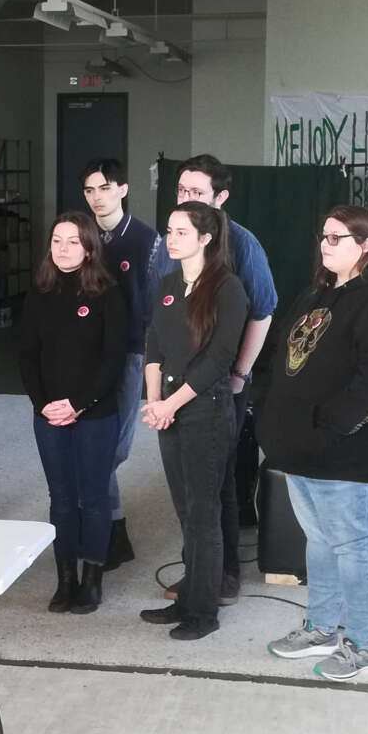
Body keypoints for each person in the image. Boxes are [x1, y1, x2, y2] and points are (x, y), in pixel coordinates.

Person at [261, 206, 368, 680]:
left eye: (337, 237)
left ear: (365, 244)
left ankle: (365, 645)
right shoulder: (319, 292)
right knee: (320, 541)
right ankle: (322, 627)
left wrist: (331, 427)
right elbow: (283, 356)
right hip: (301, 447)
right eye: (323, 236)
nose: (326, 245)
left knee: (355, 545)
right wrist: (274, 416)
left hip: (348, 451)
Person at [149, 154, 277, 606]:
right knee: (188, 488)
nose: (186, 199)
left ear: (220, 199)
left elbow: (262, 311)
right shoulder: (167, 244)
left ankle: (220, 578)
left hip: (220, 383)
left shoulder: (242, 246)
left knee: (216, 483)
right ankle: (198, 572)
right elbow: (158, 324)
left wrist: (238, 374)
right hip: (172, 386)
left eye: (196, 193)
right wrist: (156, 395)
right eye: (181, 191)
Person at [139, 202, 248, 640]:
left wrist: (171, 403)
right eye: (169, 230)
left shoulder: (228, 288)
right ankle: (187, 598)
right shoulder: (167, 283)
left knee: (205, 514)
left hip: (204, 409)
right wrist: (153, 400)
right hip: (168, 408)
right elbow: (153, 344)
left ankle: (203, 612)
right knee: (185, 510)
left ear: (206, 238)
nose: (172, 238)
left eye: (182, 232)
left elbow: (219, 359)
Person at [20, 212, 127, 615]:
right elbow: (27, 355)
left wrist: (79, 403)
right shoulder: (39, 293)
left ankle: (92, 579)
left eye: (72, 242)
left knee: (94, 497)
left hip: (96, 413)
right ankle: (65, 579)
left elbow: (112, 359)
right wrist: (42, 402)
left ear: (88, 248)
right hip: (48, 414)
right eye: (56, 241)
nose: (63, 249)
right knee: (61, 499)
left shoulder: (108, 294)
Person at [81, 158, 158, 571]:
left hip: (129, 352)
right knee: (89, 439)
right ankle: (107, 529)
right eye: (90, 190)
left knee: (114, 447)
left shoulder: (145, 239)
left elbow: (153, 306)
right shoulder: (82, 234)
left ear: (123, 189)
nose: (98, 197)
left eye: (105, 188)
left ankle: (109, 527)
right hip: (85, 351)